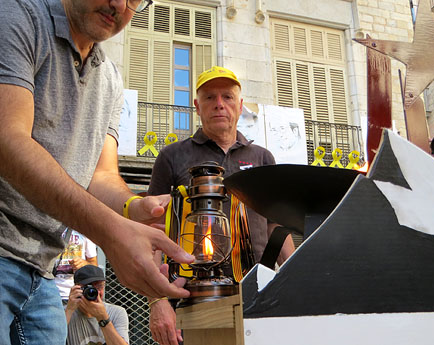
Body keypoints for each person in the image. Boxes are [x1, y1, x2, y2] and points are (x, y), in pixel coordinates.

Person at [0, 0, 194, 343]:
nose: (119, 4)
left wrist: (134, 208)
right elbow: (7, 142)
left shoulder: (110, 78)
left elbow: (101, 176)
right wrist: (113, 233)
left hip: (43, 272)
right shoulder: (16, 15)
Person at [147, 66, 296, 345]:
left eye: (227, 97)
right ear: (196, 107)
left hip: (258, 294)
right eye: (209, 97)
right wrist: (157, 301)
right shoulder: (171, 157)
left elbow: (277, 225)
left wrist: (296, 279)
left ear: (240, 106)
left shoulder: (262, 158)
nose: (219, 104)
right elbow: (152, 230)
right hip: (192, 298)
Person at [66, 265, 129, 345]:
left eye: (99, 287)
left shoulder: (117, 312)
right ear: (76, 288)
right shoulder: (66, 313)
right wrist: (69, 310)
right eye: (88, 288)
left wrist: (102, 318)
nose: (95, 292)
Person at [54, 229, 98, 303]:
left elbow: (95, 266)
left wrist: (84, 264)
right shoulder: (48, 225)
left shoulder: (85, 230)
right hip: (50, 292)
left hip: (78, 293)